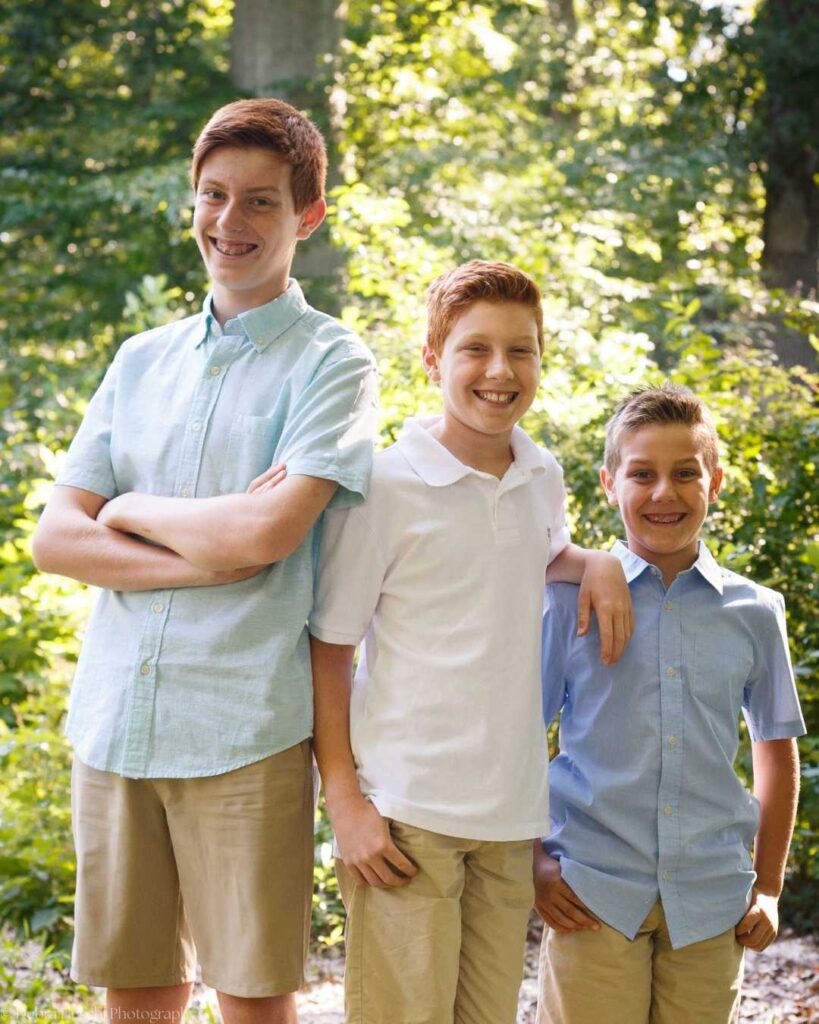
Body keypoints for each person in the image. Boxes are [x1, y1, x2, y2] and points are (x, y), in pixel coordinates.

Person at [32, 98, 378, 1024]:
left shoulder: (331, 363)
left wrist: (134, 510)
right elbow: (54, 539)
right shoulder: (139, 360)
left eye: (260, 202)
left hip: (243, 728)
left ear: (307, 215)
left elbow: (265, 539)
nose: (230, 223)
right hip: (117, 723)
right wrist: (206, 553)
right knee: (136, 994)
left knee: (252, 998)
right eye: (213, 196)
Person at [308, 260, 634, 1024]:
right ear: (432, 361)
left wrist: (597, 560)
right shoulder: (384, 485)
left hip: (509, 814)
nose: (499, 371)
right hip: (405, 812)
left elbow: (535, 554)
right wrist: (345, 801)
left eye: (520, 351)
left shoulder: (540, 474)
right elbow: (330, 647)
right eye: (474, 350)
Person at [535, 384, 805, 1024]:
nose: (664, 493)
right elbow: (517, 736)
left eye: (685, 473)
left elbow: (776, 755)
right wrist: (534, 862)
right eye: (642, 474)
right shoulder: (563, 603)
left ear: (714, 481)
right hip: (593, 893)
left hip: (712, 903)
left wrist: (767, 887)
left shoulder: (756, 612)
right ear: (609, 484)